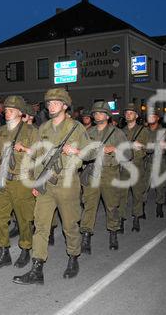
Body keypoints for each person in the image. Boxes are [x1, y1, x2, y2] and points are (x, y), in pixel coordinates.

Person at [13, 88, 90, 285]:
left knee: (70, 225)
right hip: (45, 183)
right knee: (40, 226)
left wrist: (77, 151)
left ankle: (73, 257)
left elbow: (91, 154)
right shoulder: (43, 128)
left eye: (56, 102)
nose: (51, 105)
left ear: (65, 106)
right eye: (49, 103)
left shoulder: (76, 127)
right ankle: (37, 269)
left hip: (67, 183)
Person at [0, 96, 38, 270]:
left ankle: (25, 249)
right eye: (6, 110)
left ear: (20, 112)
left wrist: (25, 149)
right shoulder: (1, 131)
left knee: (24, 219)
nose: (6, 113)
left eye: (11, 110)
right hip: (2, 180)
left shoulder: (31, 131)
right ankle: (4, 251)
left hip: (22, 182)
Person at [80, 101, 130, 254]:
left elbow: (128, 155)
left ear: (107, 116)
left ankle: (113, 233)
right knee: (89, 205)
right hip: (92, 171)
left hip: (109, 172)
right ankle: (86, 236)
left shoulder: (117, 133)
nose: (97, 115)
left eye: (101, 113)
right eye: (95, 113)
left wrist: (115, 149)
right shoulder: (88, 133)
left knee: (111, 205)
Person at [119, 103, 148, 232]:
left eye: (131, 113)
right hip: (124, 167)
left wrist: (141, 145)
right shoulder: (120, 131)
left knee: (137, 194)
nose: (128, 115)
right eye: (126, 113)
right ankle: (121, 220)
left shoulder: (143, 130)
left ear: (136, 115)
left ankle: (136, 217)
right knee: (121, 195)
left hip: (137, 166)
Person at [143, 110, 166, 218]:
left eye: (153, 116)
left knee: (160, 186)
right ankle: (141, 209)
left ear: (157, 118)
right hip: (146, 161)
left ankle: (159, 207)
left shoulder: (163, 131)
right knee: (144, 186)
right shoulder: (143, 131)